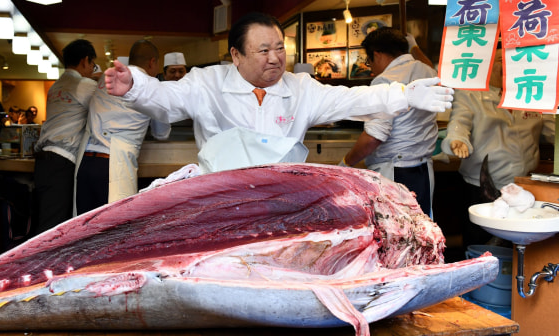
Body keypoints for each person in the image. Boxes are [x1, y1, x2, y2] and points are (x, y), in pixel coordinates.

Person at [104, 12, 453, 173]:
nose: (275, 59)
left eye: (279, 48)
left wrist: (405, 95)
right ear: (236, 56)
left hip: (283, 195)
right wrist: (136, 85)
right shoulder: (206, 83)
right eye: (263, 51)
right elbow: (165, 100)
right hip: (220, 198)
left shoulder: (301, 88)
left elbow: (355, 99)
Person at [441, 47, 555, 248]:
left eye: (513, 60)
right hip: (482, 185)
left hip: (524, 186)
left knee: (520, 244)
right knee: (481, 243)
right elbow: (459, 123)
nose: (507, 66)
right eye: (501, 60)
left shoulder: (531, 94)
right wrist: (457, 140)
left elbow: (552, 131)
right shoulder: (470, 94)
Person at [341, 27, 438, 216]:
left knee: (395, 235)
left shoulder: (384, 80)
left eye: (369, 61)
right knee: (421, 230)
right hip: (424, 170)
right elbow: (428, 67)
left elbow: (373, 137)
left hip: (396, 173)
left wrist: (345, 163)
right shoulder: (427, 70)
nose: (371, 68)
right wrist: (415, 47)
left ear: (377, 54)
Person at [76, 40, 171, 214]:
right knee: (113, 231)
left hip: (86, 163)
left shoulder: (107, 77)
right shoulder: (152, 86)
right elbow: (161, 133)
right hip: (113, 167)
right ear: (152, 62)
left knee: (85, 231)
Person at [33, 39, 98, 235]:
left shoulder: (56, 85)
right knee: (55, 224)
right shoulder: (83, 83)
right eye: (92, 64)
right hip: (62, 160)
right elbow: (108, 106)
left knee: (46, 217)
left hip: (44, 159)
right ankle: (44, 264)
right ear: (85, 61)